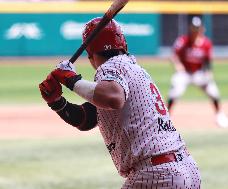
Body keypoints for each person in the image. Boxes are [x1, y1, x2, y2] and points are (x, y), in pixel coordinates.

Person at [39, 17, 201, 188]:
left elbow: (113, 98)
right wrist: (57, 102)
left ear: (89, 55)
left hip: (158, 174)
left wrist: (71, 79)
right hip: (184, 168)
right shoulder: (130, 69)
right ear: (124, 45)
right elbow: (87, 118)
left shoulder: (112, 66)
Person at [167, 16, 228, 128]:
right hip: (185, 73)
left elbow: (208, 61)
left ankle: (219, 114)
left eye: (197, 28)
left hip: (199, 73)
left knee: (213, 91)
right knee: (175, 91)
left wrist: (209, 72)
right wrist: (178, 65)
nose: (195, 31)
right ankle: (166, 118)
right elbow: (173, 56)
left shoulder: (206, 43)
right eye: (193, 28)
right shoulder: (183, 41)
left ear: (201, 29)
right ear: (190, 28)